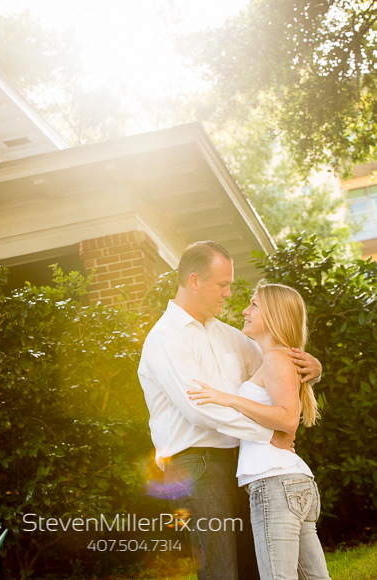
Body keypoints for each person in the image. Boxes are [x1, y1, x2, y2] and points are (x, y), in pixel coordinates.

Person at [137, 241, 322, 580]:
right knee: (221, 569)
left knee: (255, 566)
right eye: (223, 285)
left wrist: (312, 367)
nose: (229, 293)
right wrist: (271, 432)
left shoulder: (232, 336)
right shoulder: (166, 338)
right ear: (195, 281)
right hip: (197, 465)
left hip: (243, 464)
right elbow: (200, 411)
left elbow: (275, 364)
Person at [188, 282, 330, 580]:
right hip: (291, 481)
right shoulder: (276, 358)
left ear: (275, 315)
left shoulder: (277, 358)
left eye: (254, 305)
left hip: (274, 483)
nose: (244, 310)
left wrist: (229, 399)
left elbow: (288, 419)